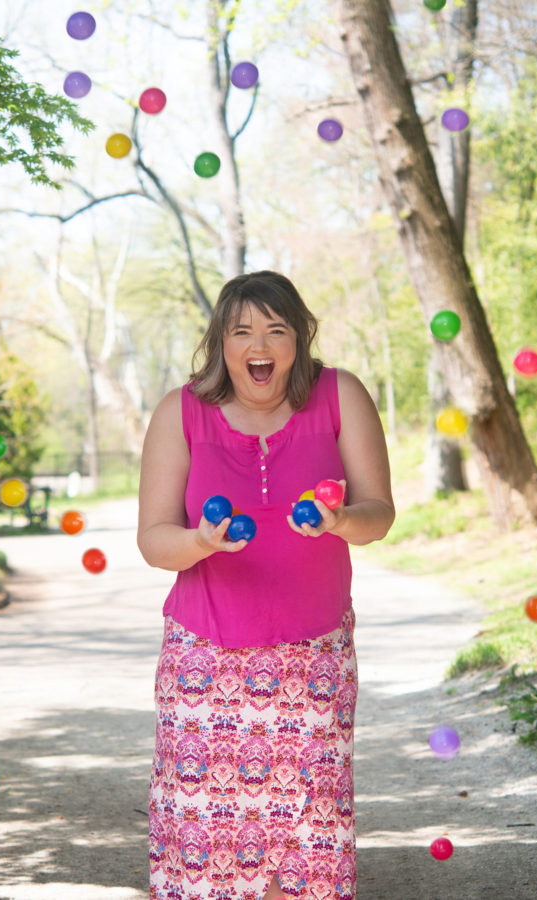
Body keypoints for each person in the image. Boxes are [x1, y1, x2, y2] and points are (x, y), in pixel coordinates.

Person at [137, 270, 395, 900]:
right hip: (205, 660)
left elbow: (379, 513)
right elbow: (152, 539)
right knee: (208, 833)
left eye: (277, 330)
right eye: (243, 329)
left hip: (315, 656)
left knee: (310, 827)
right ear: (221, 342)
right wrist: (201, 541)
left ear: (299, 340)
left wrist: (340, 521)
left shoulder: (340, 396)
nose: (261, 344)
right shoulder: (182, 412)